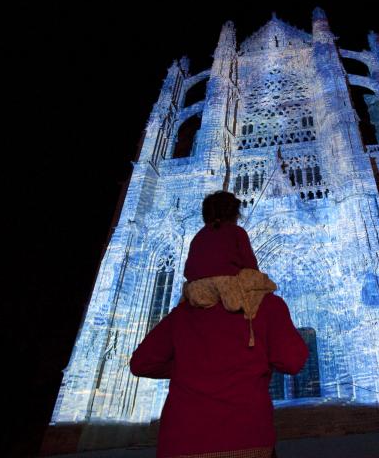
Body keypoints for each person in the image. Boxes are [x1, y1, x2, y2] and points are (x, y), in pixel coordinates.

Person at [130, 191, 309, 458]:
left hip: (181, 445)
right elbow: (293, 361)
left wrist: (191, 367)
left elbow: (140, 363)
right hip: (248, 442)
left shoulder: (182, 314)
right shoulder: (266, 305)